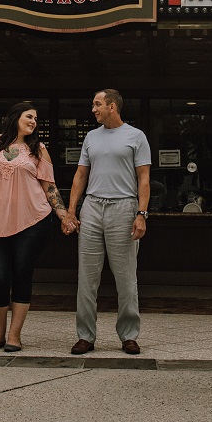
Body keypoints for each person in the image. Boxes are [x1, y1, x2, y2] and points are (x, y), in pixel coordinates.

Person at [0, 101, 70, 353]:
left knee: (22, 275)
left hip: (32, 222)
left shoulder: (39, 149)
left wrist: (64, 216)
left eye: (35, 119)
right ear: (14, 117)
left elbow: (49, 187)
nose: (33, 121)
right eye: (28, 116)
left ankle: (14, 335)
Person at [65, 88, 151, 355]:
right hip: (92, 206)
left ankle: (128, 335)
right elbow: (80, 175)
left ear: (112, 106)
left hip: (124, 207)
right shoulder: (91, 137)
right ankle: (85, 336)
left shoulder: (136, 136)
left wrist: (141, 214)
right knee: (86, 277)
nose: (93, 109)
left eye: (97, 104)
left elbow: (144, 179)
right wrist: (71, 211)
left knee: (126, 277)